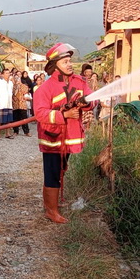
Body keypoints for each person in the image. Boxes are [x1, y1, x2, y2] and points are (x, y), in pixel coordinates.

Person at [33, 43, 95, 224]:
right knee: (52, 172)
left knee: (61, 170)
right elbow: (40, 113)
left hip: (69, 138)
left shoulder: (79, 82)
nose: (70, 64)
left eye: (70, 61)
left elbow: (93, 99)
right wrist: (64, 115)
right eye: (66, 61)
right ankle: (51, 210)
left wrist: (88, 104)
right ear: (55, 64)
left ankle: (57, 202)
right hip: (52, 139)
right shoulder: (45, 88)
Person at [0, 68, 14, 139]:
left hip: (9, 103)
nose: (8, 74)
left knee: (8, 120)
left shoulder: (11, 83)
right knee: (0, 120)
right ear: (2, 74)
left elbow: (11, 92)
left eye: (8, 73)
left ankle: (7, 133)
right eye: (6, 73)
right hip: (2, 103)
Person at [12, 72, 31, 137]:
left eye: (18, 79)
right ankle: (15, 131)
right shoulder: (13, 86)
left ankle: (26, 131)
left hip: (22, 104)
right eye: (16, 79)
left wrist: (19, 85)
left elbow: (25, 92)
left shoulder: (24, 86)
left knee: (24, 119)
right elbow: (12, 94)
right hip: (15, 104)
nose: (17, 80)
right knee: (15, 119)